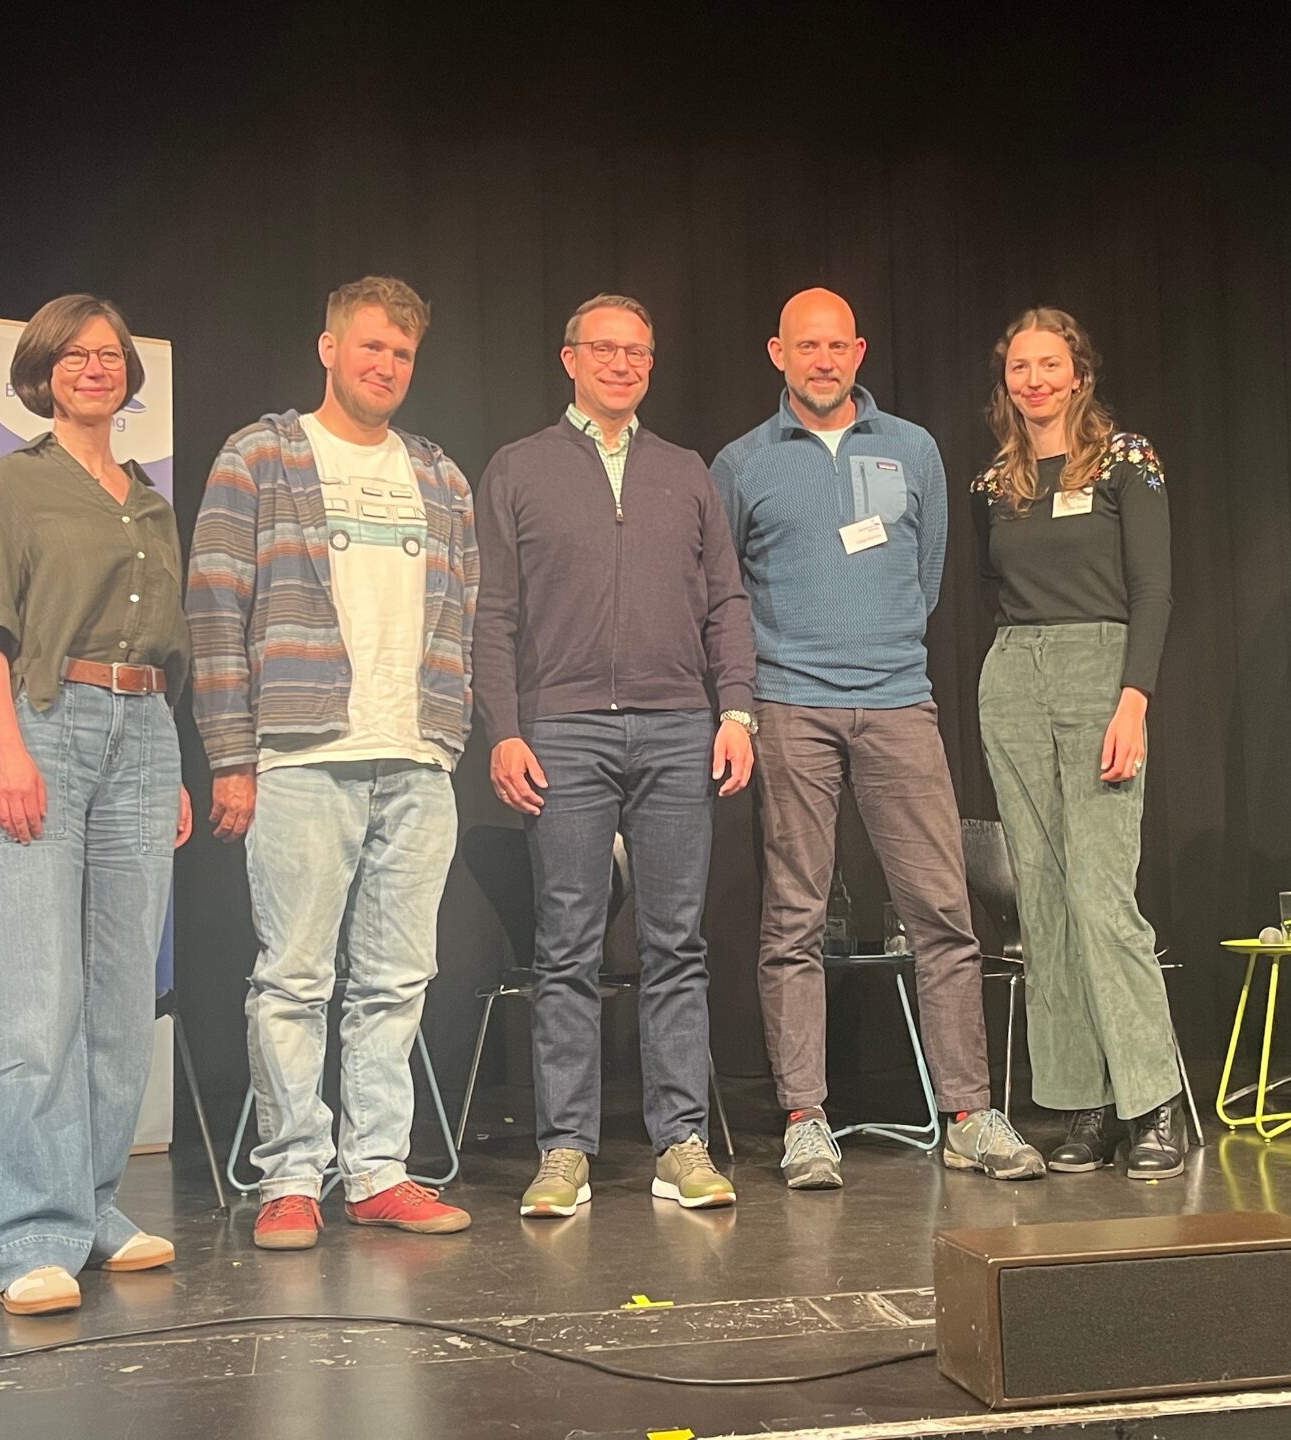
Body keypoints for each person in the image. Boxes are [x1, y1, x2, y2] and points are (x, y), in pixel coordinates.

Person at [713, 288, 1045, 1190]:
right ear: (778, 353)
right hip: (790, 706)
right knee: (794, 918)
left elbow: (925, 576)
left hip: (899, 703)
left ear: (858, 352)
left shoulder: (913, 449)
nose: (823, 360)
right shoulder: (742, 463)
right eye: (806, 346)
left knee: (942, 912)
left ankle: (969, 1116)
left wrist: (876, 647)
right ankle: (805, 1119)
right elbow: (724, 593)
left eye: (837, 346)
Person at [187, 276, 476, 1249]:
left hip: (417, 759)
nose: (386, 366)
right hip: (302, 756)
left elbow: (466, 610)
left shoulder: (438, 475)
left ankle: (379, 1171)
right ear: (330, 348)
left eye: (402, 354)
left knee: (398, 980)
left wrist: (447, 731)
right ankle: (291, 1176)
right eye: (371, 348)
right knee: (295, 979)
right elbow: (214, 608)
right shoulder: (262, 455)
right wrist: (231, 755)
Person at [475, 293, 756, 1218]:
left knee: (677, 943)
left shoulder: (685, 470)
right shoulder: (519, 467)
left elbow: (727, 602)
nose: (623, 363)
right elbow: (493, 612)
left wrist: (737, 711)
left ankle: (681, 1143)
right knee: (566, 946)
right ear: (570, 359)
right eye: (605, 348)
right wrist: (504, 727)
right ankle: (565, 1151)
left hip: (679, 725)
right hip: (563, 730)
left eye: (638, 351)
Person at [0, 294, 193, 1315]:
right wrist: (6, 749)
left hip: (144, 733)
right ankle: (24, 1234)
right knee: (38, 1000)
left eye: (111, 355)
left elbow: (163, 648)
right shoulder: (9, 485)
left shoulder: (150, 503)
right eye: (76, 355)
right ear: (42, 373)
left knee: (122, 1002)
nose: (97, 368)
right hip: (42, 723)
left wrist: (171, 767)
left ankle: (89, 1209)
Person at [970, 307, 1184, 1179]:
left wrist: (1134, 700)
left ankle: (1153, 1102)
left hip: (1102, 672)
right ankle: (1084, 1104)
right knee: (1045, 904)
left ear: (1079, 373)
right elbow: (992, 585)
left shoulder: (1128, 461)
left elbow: (1153, 589)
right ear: (1006, 381)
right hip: (1014, 674)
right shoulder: (996, 481)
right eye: (1020, 367)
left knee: (1101, 897)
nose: (1035, 380)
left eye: (1049, 364)